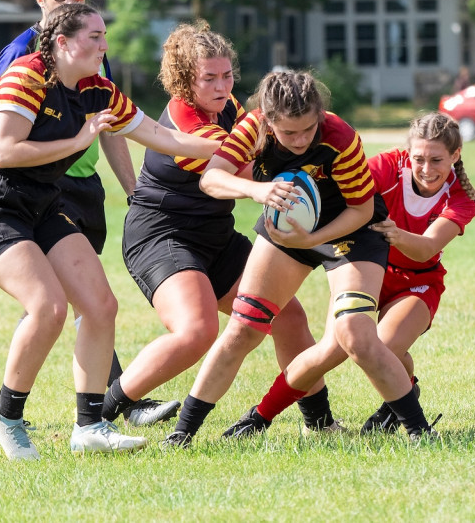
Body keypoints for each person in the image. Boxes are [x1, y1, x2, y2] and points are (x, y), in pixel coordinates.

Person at [0, 3, 220, 460]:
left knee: (100, 304)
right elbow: (7, 152)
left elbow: (166, 138)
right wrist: (77, 142)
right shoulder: (26, 75)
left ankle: (90, 426)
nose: (103, 44)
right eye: (93, 36)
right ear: (62, 42)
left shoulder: (100, 91)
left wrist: (245, 144)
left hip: (40, 202)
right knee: (48, 307)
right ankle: (6, 414)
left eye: (103, 35)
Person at [163, 70, 435, 448]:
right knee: (243, 329)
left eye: (308, 130)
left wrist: (313, 238)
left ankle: (421, 433)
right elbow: (212, 178)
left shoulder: (340, 138)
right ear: (269, 119)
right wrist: (258, 191)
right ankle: (182, 434)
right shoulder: (252, 127)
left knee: (356, 335)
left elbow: (359, 209)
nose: (300, 140)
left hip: (351, 232)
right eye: (289, 133)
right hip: (285, 228)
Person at [105, 23, 335, 431]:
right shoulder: (188, 125)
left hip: (215, 235)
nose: (221, 86)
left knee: (289, 317)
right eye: (208, 78)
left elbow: (264, 135)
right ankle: (99, 413)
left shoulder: (228, 106)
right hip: (162, 235)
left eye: (227, 76)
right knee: (196, 331)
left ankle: (319, 423)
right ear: (184, 80)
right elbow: (245, 164)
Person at [0, 0, 175, 426]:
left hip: (83, 181)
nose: (70, 0)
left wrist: (133, 188)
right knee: (62, 302)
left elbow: (111, 125)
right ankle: (102, 406)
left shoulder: (91, 50)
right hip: (42, 184)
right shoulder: (22, 55)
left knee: (89, 302)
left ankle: (99, 408)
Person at [220, 112, 475, 439]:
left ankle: (401, 407)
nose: (427, 169)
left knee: (382, 347)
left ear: (456, 155)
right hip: (366, 270)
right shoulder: (389, 166)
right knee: (331, 350)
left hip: (416, 283)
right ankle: (259, 418)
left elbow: (426, 249)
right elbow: (340, 191)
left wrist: (396, 234)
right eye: (419, 158)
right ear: (407, 153)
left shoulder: (461, 197)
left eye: (437, 160)